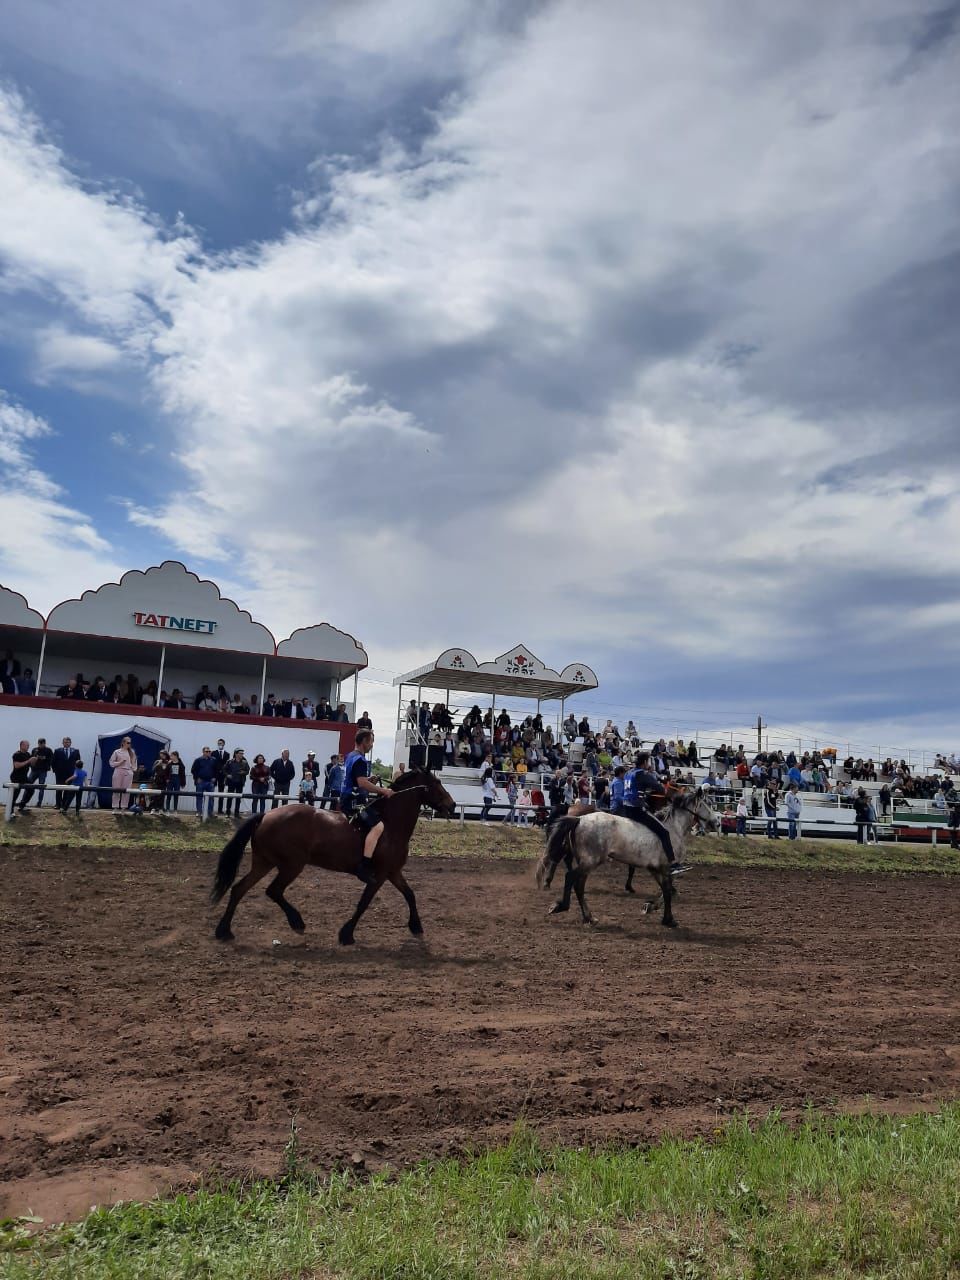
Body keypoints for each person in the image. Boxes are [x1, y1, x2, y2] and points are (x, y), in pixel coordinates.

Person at [622, 752, 691, 875]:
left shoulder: (628, 772)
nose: (649, 764)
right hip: (637, 810)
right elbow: (662, 790)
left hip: (626, 808)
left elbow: (635, 788)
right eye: (648, 762)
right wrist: (667, 785)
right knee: (664, 832)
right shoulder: (643, 774)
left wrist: (644, 793)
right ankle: (672, 863)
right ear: (644, 762)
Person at [339, 728, 391, 882]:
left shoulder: (351, 756)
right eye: (371, 741)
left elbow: (358, 779)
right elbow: (361, 783)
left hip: (349, 797)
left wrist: (369, 780)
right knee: (378, 826)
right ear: (364, 742)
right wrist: (384, 790)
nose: (372, 745)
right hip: (353, 802)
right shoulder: (360, 759)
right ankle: (364, 866)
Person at [109, 736, 137, 810]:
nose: (129, 744)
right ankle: (115, 807)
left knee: (126, 790)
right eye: (128, 742)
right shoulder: (117, 751)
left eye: (130, 743)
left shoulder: (132, 752)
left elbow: (134, 763)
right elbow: (111, 763)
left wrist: (132, 770)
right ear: (123, 743)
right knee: (116, 789)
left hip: (128, 772)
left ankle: (123, 808)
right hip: (118, 770)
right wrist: (120, 762)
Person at [9, 740, 37, 813]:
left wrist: (34, 760)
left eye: (28, 745)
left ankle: (22, 805)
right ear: (21, 745)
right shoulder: (17, 754)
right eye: (26, 745)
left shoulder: (28, 754)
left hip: (24, 777)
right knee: (15, 795)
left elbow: (32, 765)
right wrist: (28, 761)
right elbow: (17, 766)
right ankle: (10, 811)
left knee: (31, 790)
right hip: (16, 777)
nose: (28, 746)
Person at [191, 746, 218, 818]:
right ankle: (199, 812)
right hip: (201, 782)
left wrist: (214, 777)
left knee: (211, 798)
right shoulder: (198, 760)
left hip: (210, 782)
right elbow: (193, 770)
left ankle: (210, 813)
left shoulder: (213, 760)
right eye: (207, 751)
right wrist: (197, 778)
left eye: (209, 751)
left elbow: (216, 770)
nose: (208, 752)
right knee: (199, 797)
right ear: (203, 752)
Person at [224, 749, 249, 817]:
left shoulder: (245, 762)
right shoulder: (229, 762)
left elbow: (247, 771)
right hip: (231, 782)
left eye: (242, 753)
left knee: (238, 798)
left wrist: (243, 772)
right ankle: (228, 813)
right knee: (230, 798)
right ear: (236, 754)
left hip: (240, 782)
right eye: (240, 753)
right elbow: (224, 770)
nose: (241, 755)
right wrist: (227, 775)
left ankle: (236, 813)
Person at [29, 738, 53, 807]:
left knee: (41, 787)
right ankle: (24, 801)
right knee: (28, 785)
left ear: (45, 743)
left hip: (43, 771)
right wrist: (31, 765)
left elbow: (52, 759)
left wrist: (44, 758)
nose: (40, 745)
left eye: (41, 744)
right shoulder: (34, 750)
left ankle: (39, 803)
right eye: (39, 744)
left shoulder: (48, 750)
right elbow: (31, 759)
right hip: (34, 770)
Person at [210, 739, 229, 814]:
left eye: (221, 743)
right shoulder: (213, 753)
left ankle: (220, 810)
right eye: (218, 743)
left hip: (222, 775)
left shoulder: (227, 754)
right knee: (211, 792)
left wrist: (224, 772)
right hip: (214, 775)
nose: (220, 745)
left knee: (221, 792)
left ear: (224, 744)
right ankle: (210, 809)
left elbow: (226, 765)